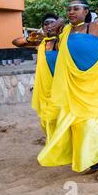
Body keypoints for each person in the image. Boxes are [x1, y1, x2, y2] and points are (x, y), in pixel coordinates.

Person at [37, 0, 98, 182]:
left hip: (94, 86)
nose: (71, 12)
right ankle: (94, 163)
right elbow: (52, 27)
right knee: (77, 127)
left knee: (88, 125)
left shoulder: (95, 27)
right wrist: (62, 20)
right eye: (69, 9)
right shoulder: (66, 31)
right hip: (73, 87)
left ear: (86, 11)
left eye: (76, 9)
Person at [12, 13, 64, 144]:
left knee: (61, 114)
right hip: (45, 88)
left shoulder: (64, 40)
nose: (49, 26)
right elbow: (16, 42)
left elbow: (64, 20)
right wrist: (29, 39)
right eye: (46, 24)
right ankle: (53, 141)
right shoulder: (41, 42)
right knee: (47, 116)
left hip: (62, 85)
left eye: (52, 23)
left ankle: (64, 142)